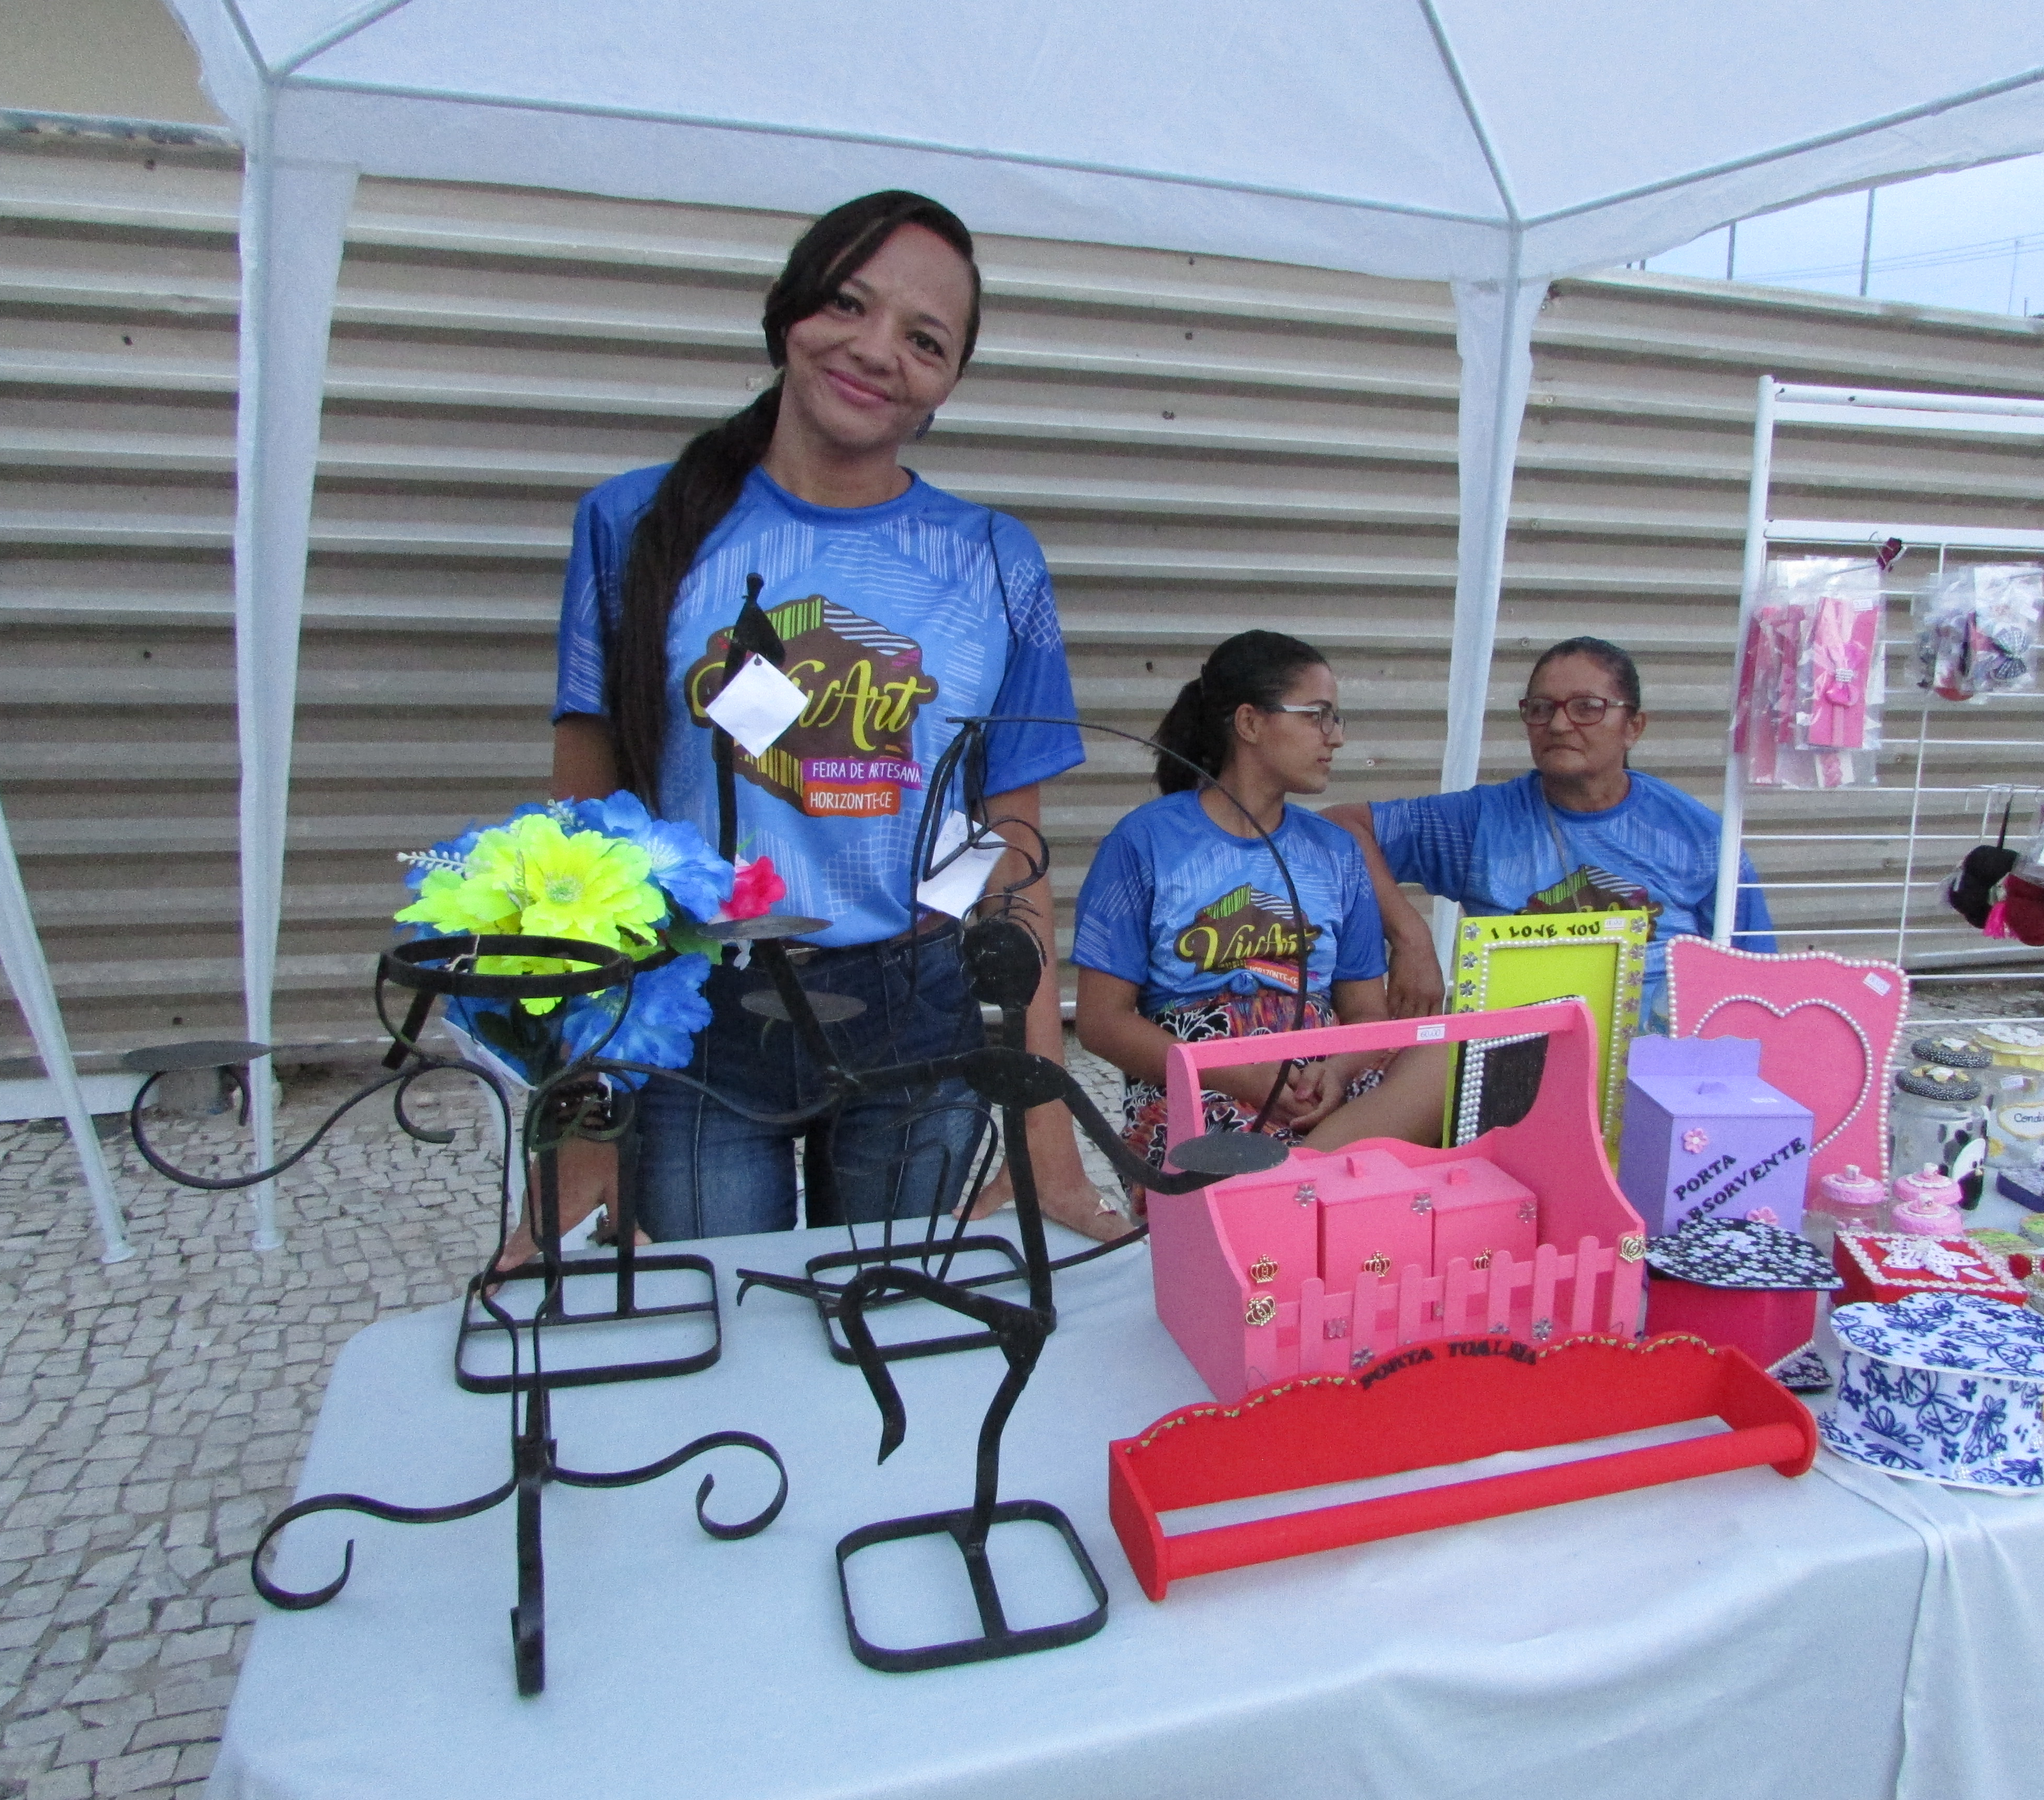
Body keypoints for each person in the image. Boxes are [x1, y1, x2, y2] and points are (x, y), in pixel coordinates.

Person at [526, 189, 1118, 1256]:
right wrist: (582, 1121)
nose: (877, 349)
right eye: (848, 302)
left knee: (899, 1317)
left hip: (917, 1014)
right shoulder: (630, 523)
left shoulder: (995, 559)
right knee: (718, 1319)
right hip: (696, 1018)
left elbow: (1012, 857)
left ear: (949, 383)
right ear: (788, 310)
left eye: (925, 340)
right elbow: (578, 838)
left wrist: (1045, 1126)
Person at [1072, 631, 1419, 1180]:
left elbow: (1366, 1015)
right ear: (1250, 723)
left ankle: (1298, 1173)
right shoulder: (1146, 842)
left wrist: (1336, 1071)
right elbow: (1101, 1022)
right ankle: (1309, 1176)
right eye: (1317, 716)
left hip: (1320, 1085)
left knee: (1449, 1055)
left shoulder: (1336, 852)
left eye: (1335, 719)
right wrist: (1249, 1079)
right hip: (1201, 1086)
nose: (1336, 737)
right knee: (1234, 1156)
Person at [1324, 635, 1774, 1026]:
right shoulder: (1481, 822)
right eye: (1541, 709)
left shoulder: (1701, 841)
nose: (1559, 725)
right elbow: (1341, 825)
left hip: (1658, 1077)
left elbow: (1758, 986)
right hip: (1515, 1064)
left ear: (1633, 727)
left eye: (1587, 708)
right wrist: (1412, 938)